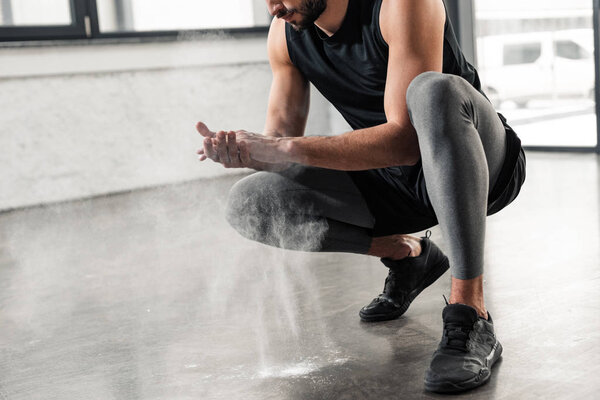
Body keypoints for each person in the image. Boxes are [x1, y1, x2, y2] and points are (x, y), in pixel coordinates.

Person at [196, 0, 525, 393]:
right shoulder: (285, 34)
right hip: (391, 184)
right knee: (249, 203)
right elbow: (279, 145)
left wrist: (282, 148)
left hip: (480, 167)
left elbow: (406, 141)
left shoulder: (400, 4)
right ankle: (408, 255)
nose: (273, 7)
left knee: (433, 91)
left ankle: (471, 313)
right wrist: (247, 151)